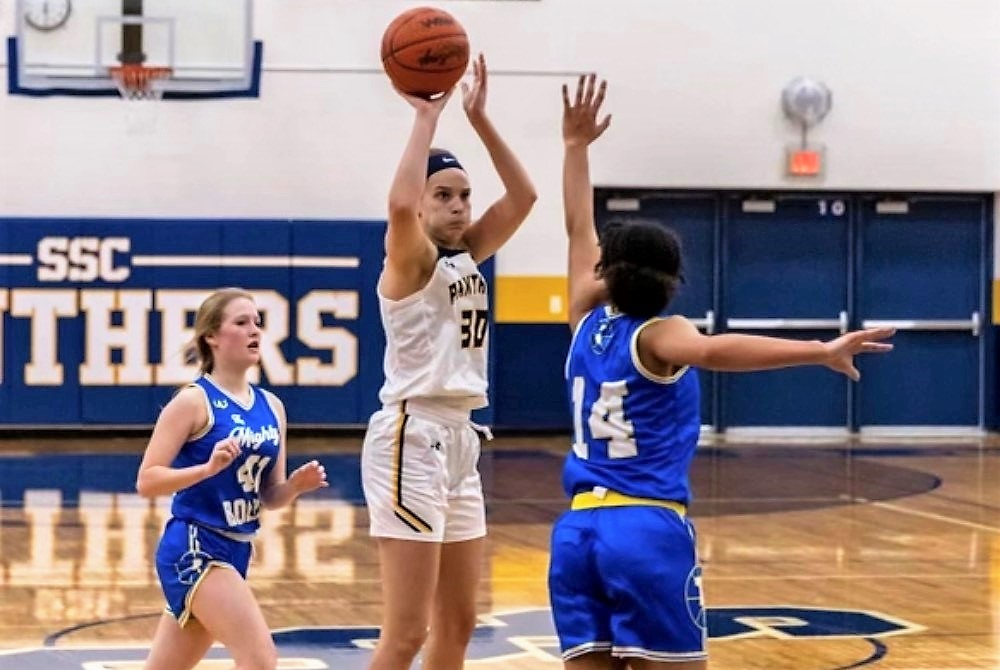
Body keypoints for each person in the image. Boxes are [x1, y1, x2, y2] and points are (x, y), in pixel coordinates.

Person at [549, 74, 895, 670]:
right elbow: (717, 351)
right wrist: (819, 350)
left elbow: (578, 228)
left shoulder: (583, 317)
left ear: (605, 272)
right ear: (671, 280)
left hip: (575, 536)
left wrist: (575, 149)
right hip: (644, 528)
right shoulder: (660, 333)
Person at [360, 53, 537, 670]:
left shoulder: (468, 253)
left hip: (462, 440)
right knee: (406, 633)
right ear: (424, 203)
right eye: (444, 195)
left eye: (464, 195)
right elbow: (398, 207)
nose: (460, 206)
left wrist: (481, 119)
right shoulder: (411, 258)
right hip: (412, 436)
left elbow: (525, 195)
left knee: (459, 625)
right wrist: (426, 120)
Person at [136, 287, 329, 670]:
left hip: (238, 548)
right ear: (212, 336)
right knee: (260, 660)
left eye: (257, 322)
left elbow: (269, 496)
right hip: (195, 547)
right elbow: (147, 480)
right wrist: (205, 470)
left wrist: (294, 486)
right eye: (241, 323)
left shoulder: (272, 406)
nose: (254, 331)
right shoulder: (193, 401)